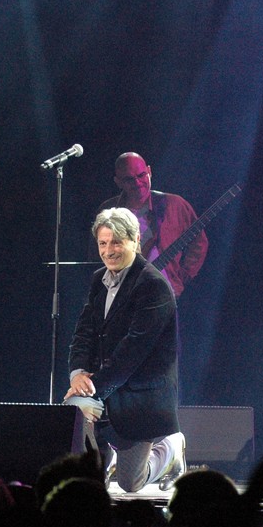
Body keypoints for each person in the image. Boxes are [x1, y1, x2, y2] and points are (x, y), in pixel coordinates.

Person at [65, 207, 186, 493]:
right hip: (104, 385)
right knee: (73, 409)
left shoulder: (153, 286)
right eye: (103, 243)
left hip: (139, 397)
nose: (109, 251)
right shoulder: (99, 279)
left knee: (131, 483)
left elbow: (132, 353)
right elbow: (84, 332)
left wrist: (91, 388)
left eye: (116, 242)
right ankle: (98, 467)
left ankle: (170, 449)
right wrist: (77, 374)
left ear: (135, 240)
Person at [99, 152, 208, 298]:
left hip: (166, 296)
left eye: (141, 175)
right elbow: (97, 257)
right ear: (118, 182)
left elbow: (199, 242)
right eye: (129, 179)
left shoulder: (174, 204)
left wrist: (182, 276)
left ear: (149, 171)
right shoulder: (108, 211)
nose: (137, 183)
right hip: (122, 300)